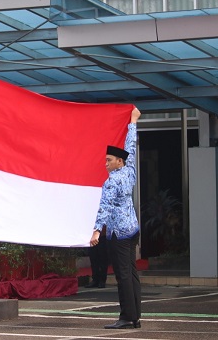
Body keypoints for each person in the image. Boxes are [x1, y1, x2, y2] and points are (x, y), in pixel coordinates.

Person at [90, 107, 142, 329]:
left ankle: (127, 317)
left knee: (122, 276)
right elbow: (131, 146)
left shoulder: (111, 182)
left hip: (119, 233)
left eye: (109, 160)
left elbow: (105, 207)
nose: (106, 163)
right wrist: (133, 121)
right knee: (132, 273)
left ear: (119, 161)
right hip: (132, 229)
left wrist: (96, 231)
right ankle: (135, 316)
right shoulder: (129, 171)